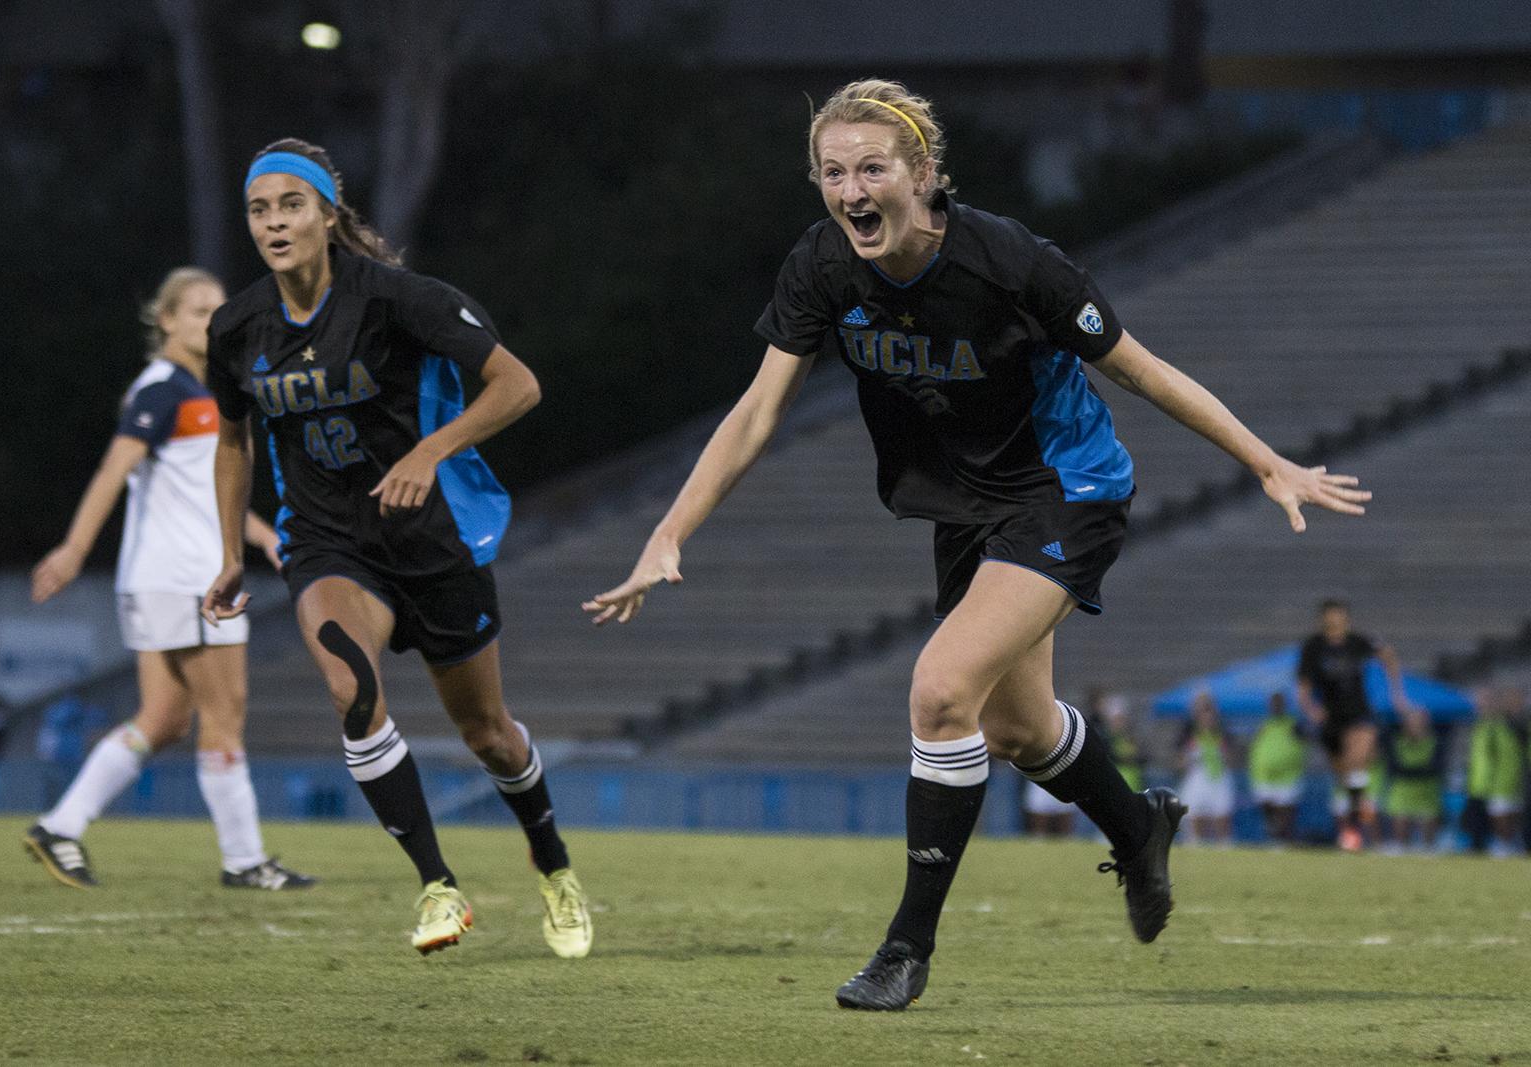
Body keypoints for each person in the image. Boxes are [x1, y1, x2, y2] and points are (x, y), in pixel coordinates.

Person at [583, 79, 1371, 1010]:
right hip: (967, 509)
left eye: (872, 168)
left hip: (1064, 488)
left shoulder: (1012, 264)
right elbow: (759, 410)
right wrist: (671, 530)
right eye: (833, 173)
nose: (851, 190)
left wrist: (1264, 460)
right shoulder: (823, 265)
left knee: (941, 688)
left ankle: (904, 950)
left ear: (922, 174)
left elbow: (1142, 368)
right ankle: (1138, 823)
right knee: (1016, 728)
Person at [201, 139, 592, 957]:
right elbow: (233, 439)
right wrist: (232, 548)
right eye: (258, 209)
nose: (274, 222)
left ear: (326, 213)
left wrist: (428, 451)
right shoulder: (237, 326)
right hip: (327, 543)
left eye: (290, 205)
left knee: (488, 733)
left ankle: (553, 864)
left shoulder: (398, 299)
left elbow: (518, 384)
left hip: (428, 541)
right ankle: (437, 887)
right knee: (353, 690)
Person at [23, 266, 315, 891]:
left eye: (219, 309)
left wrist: (262, 536)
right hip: (186, 577)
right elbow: (112, 471)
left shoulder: (201, 388)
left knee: (163, 719)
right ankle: (244, 861)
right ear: (167, 321)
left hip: (169, 576)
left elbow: (202, 490)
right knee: (225, 713)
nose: (213, 320)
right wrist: (75, 549)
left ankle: (60, 825)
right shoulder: (163, 390)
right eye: (198, 310)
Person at [1295, 599, 1413, 852]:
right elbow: (1303, 685)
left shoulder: (1360, 642)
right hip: (1330, 719)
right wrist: (1310, 708)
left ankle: (1352, 830)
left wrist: (1397, 694)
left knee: (1357, 760)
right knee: (1346, 774)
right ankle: (1360, 809)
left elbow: (1388, 655)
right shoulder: (1313, 647)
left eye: (1340, 618)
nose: (1336, 623)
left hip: (1359, 713)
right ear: (1323, 619)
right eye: (1331, 618)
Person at [1467, 687, 1526, 858]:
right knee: (1494, 817)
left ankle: (1510, 844)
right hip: (1484, 783)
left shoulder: (1508, 725)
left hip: (1508, 779)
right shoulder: (1485, 724)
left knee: (1512, 814)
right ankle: (1502, 844)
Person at [1380, 708, 1444, 853]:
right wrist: (1421, 769)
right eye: (1413, 721)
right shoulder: (1397, 741)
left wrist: (1411, 771)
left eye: (1420, 721)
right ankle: (1402, 848)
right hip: (1402, 792)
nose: (1416, 724)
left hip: (1426, 793)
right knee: (1400, 822)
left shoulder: (1434, 741)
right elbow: (1394, 768)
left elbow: (1436, 768)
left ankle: (1429, 850)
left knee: (1429, 833)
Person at [1247, 692, 1306, 844]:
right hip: (1265, 776)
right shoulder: (1264, 724)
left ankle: (1286, 844)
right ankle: (1274, 841)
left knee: (1286, 816)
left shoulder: (1293, 724)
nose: (1275, 706)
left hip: (1288, 777)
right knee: (1270, 815)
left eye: (1278, 703)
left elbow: (1304, 744)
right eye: (1273, 703)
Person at [1178, 693, 1236, 845]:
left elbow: (1232, 759)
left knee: (1221, 819)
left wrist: (1222, 752)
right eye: (1203, 711)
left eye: (1209, 710)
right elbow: (1180, 762)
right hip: (1197, 778)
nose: (1207, 715)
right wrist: (1189, 756)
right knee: (1196, 817)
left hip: (1218, 778)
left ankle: (1223, 850)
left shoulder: (1223, 731)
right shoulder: (1188, 732)